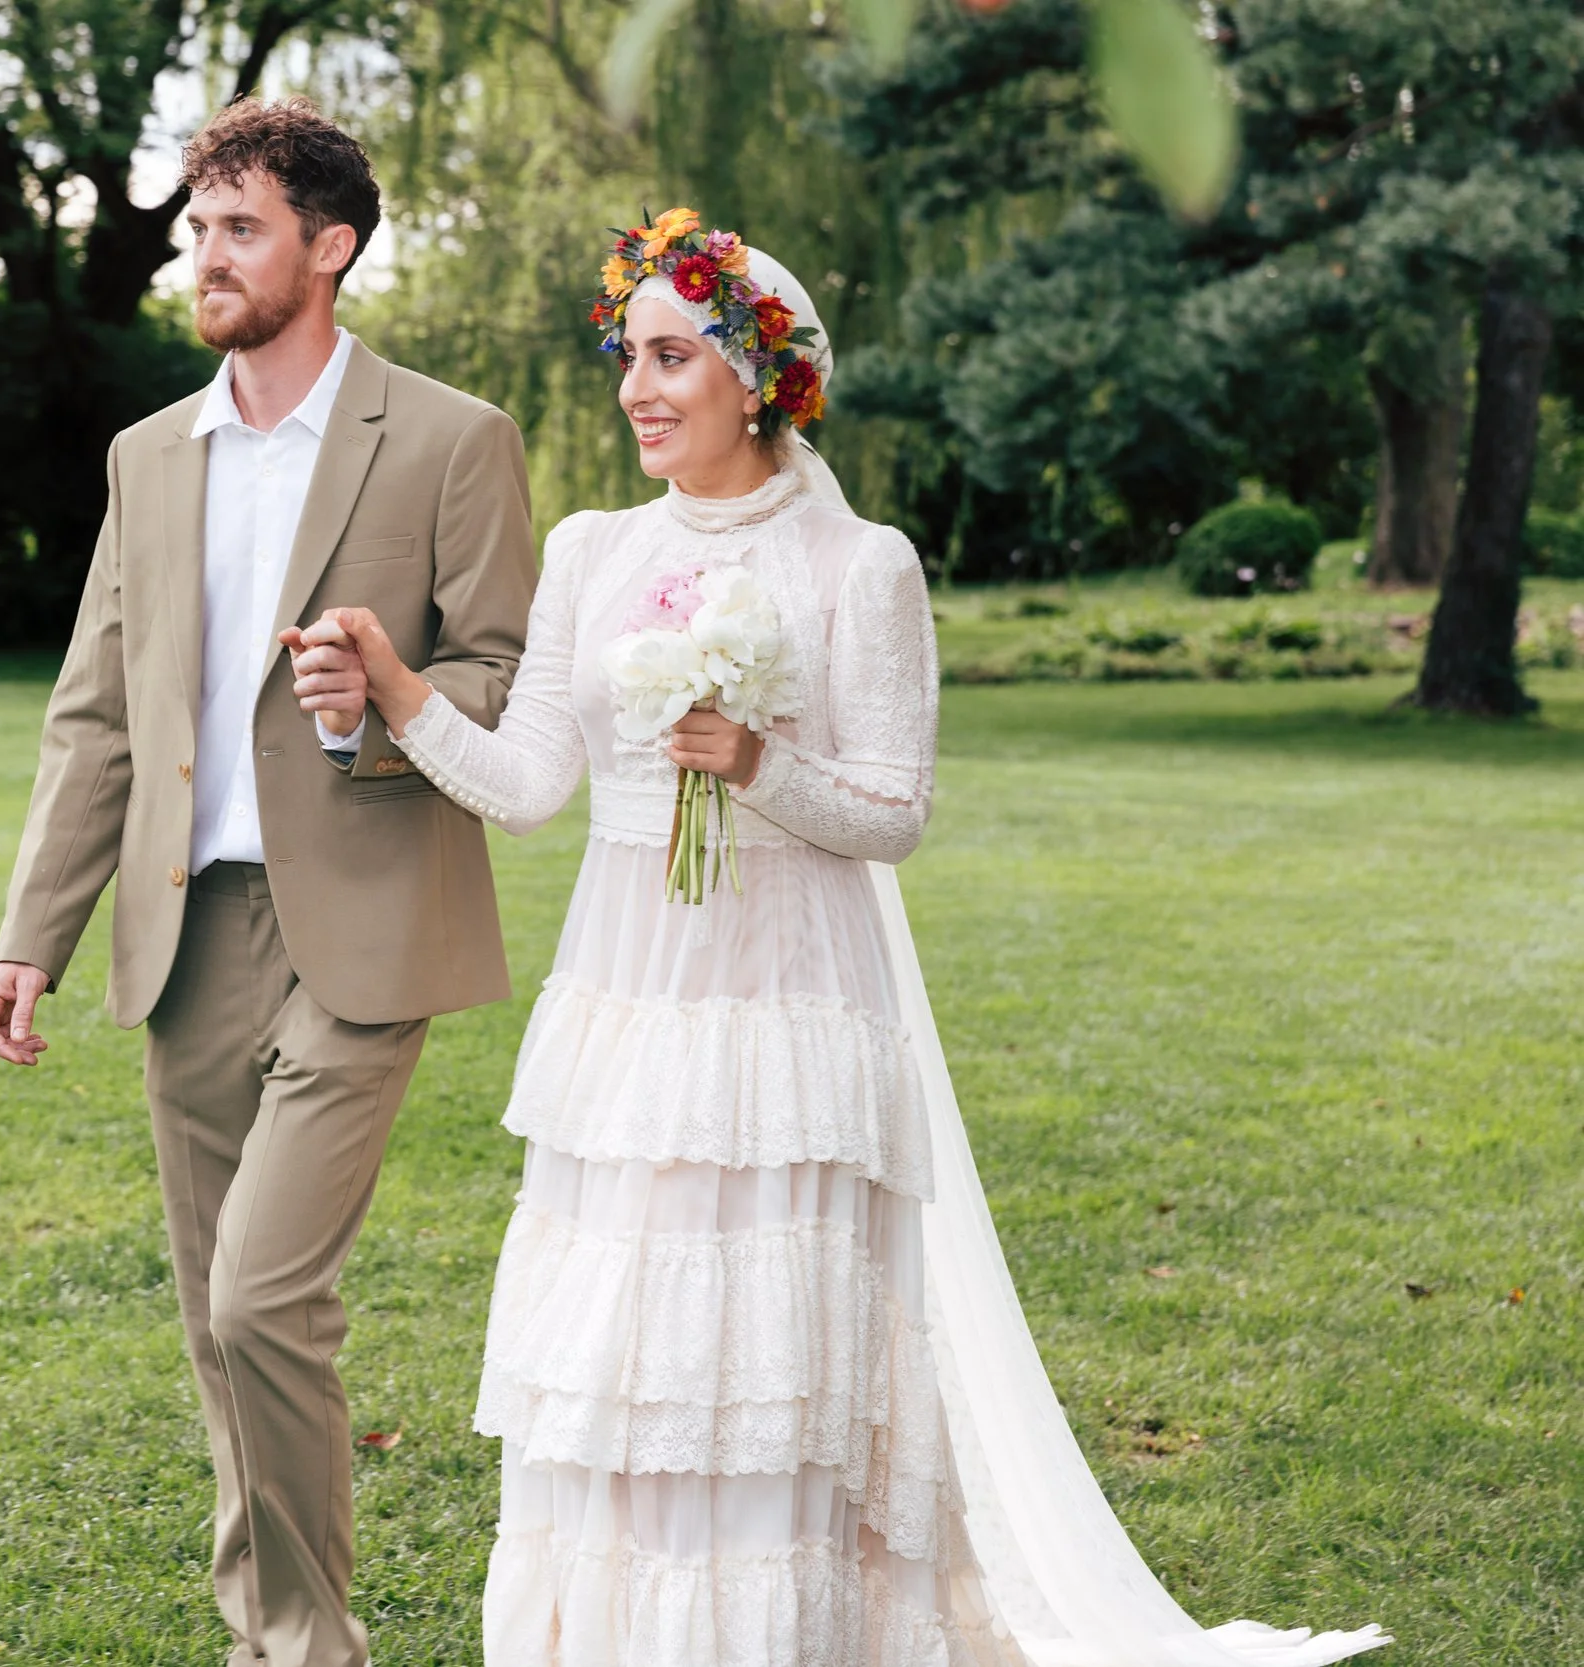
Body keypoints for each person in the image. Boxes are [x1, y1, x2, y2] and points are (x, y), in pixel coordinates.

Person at [293, 211, 1390, 1666]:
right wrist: (397, 688)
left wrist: (754, 765)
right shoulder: (588, 550)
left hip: (792, 1008)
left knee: (769, 1353)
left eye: (674, 356)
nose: (638, 388)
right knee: (622, 1342)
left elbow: (894, 814)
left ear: (758, 376)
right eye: (631, 356)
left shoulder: (859, 564)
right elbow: (531, 786)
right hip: (630, 1005)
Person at [0, 98, 537, 1667]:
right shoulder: (151, 456)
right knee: (219, 1332)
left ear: (329, 246)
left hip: (367, 918)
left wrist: (392, 706)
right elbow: (98, 708)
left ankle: (307, 1648)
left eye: (238, 228)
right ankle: (275, 1634)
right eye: (195, 228)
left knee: (261, 1303)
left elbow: (508, 672)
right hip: (186, 930)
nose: (202, 257)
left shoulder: (450, 438)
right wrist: (35, 931)